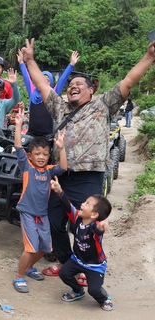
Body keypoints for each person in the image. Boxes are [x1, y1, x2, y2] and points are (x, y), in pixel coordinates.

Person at [20, 38, 155, 279]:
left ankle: (85, 266)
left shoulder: (103, 105)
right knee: (53, 221)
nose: (73, 86)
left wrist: (149, 57)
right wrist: (29, 60)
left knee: (85, 227)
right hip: (60, 177)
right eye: (71, 83)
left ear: (91, 89)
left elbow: (129, 80)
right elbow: (41, 85)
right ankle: (67, 262)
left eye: (79, 84)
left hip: (89, 178)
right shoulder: (60, 108)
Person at [12, 103, 67, 293]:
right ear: (30, 155)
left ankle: (28, 268)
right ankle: (19, 276)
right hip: (27, 212)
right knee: (31, 247)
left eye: (45, 154)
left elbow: (64, 167)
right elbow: (18, 146)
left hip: (42, 214)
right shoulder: (27, 167)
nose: (41, 157)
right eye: (37, 154)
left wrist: (61, 148)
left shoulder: (50, 170)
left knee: (45, 247)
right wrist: (19, 125)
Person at [50, 176, 113, 311]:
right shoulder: (78, 218)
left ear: (94, 215)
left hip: (95, 265)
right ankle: (78, 290)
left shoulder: (94, 227)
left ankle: (104, 298)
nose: (83, 204)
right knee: (64, 274)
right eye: (85, 202)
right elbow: (68, 206)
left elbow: (97, 232)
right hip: (78, 260)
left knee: (94, 290)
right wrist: (59, 192)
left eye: (87, 204)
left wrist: (101, 228)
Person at [17, 50, 79, 137]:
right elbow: (27, 77)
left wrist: (71, 64)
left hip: (47, 134)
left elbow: (62, 79)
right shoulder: (32, 92)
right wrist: (21, 62)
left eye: (48, 80)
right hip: (31, 133)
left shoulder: (53, 93)